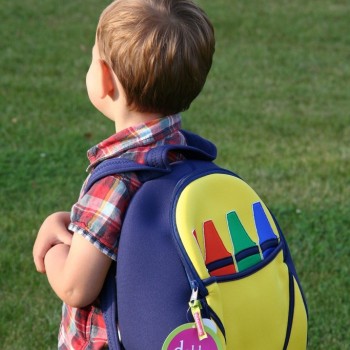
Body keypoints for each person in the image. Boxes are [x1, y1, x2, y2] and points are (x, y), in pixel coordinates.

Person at [32, 0, 215, 348]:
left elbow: (75, 286)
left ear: (103, 78)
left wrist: (54, 244)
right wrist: (70, 223)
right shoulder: (183, 152)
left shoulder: (117, 178)